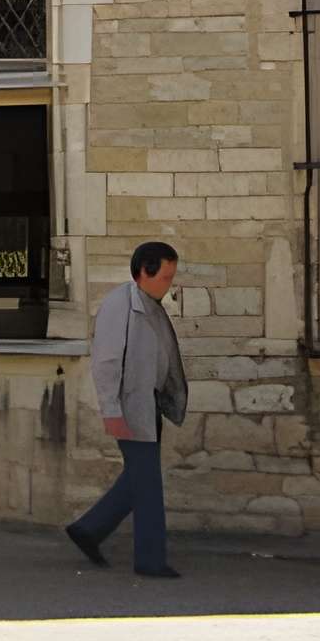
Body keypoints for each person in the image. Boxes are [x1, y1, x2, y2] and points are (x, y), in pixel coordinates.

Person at [67, 239, 186, 578]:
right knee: (147, 484)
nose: (169, 284)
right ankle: (150, 561)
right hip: (130, 408)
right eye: (165, 277)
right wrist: (111, 412)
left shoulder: (150, 304)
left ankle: (88, 530)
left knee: (138, 478)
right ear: (144, 272)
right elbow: (105, 362)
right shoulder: (119, 305)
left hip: (148, 405)